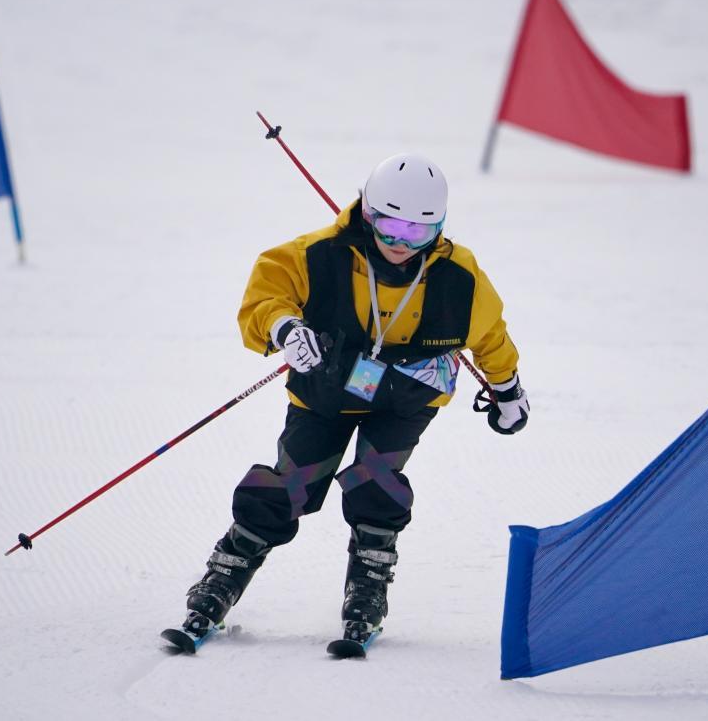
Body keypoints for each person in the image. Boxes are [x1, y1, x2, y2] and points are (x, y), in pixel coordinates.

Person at [180, 153, 529, 645]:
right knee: (292, 482)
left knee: (377, 480)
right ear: (366, 211)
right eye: (388, 226)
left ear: (440, 226)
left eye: (417, 232)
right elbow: (266, 293)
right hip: (325, 390)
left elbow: (489, 333)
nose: (399, 244)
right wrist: (284, 328)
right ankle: (224, 576)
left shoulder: (460, 274)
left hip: (406, 396)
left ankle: (368, 586)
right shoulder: (320, 253)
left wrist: (507, 388)